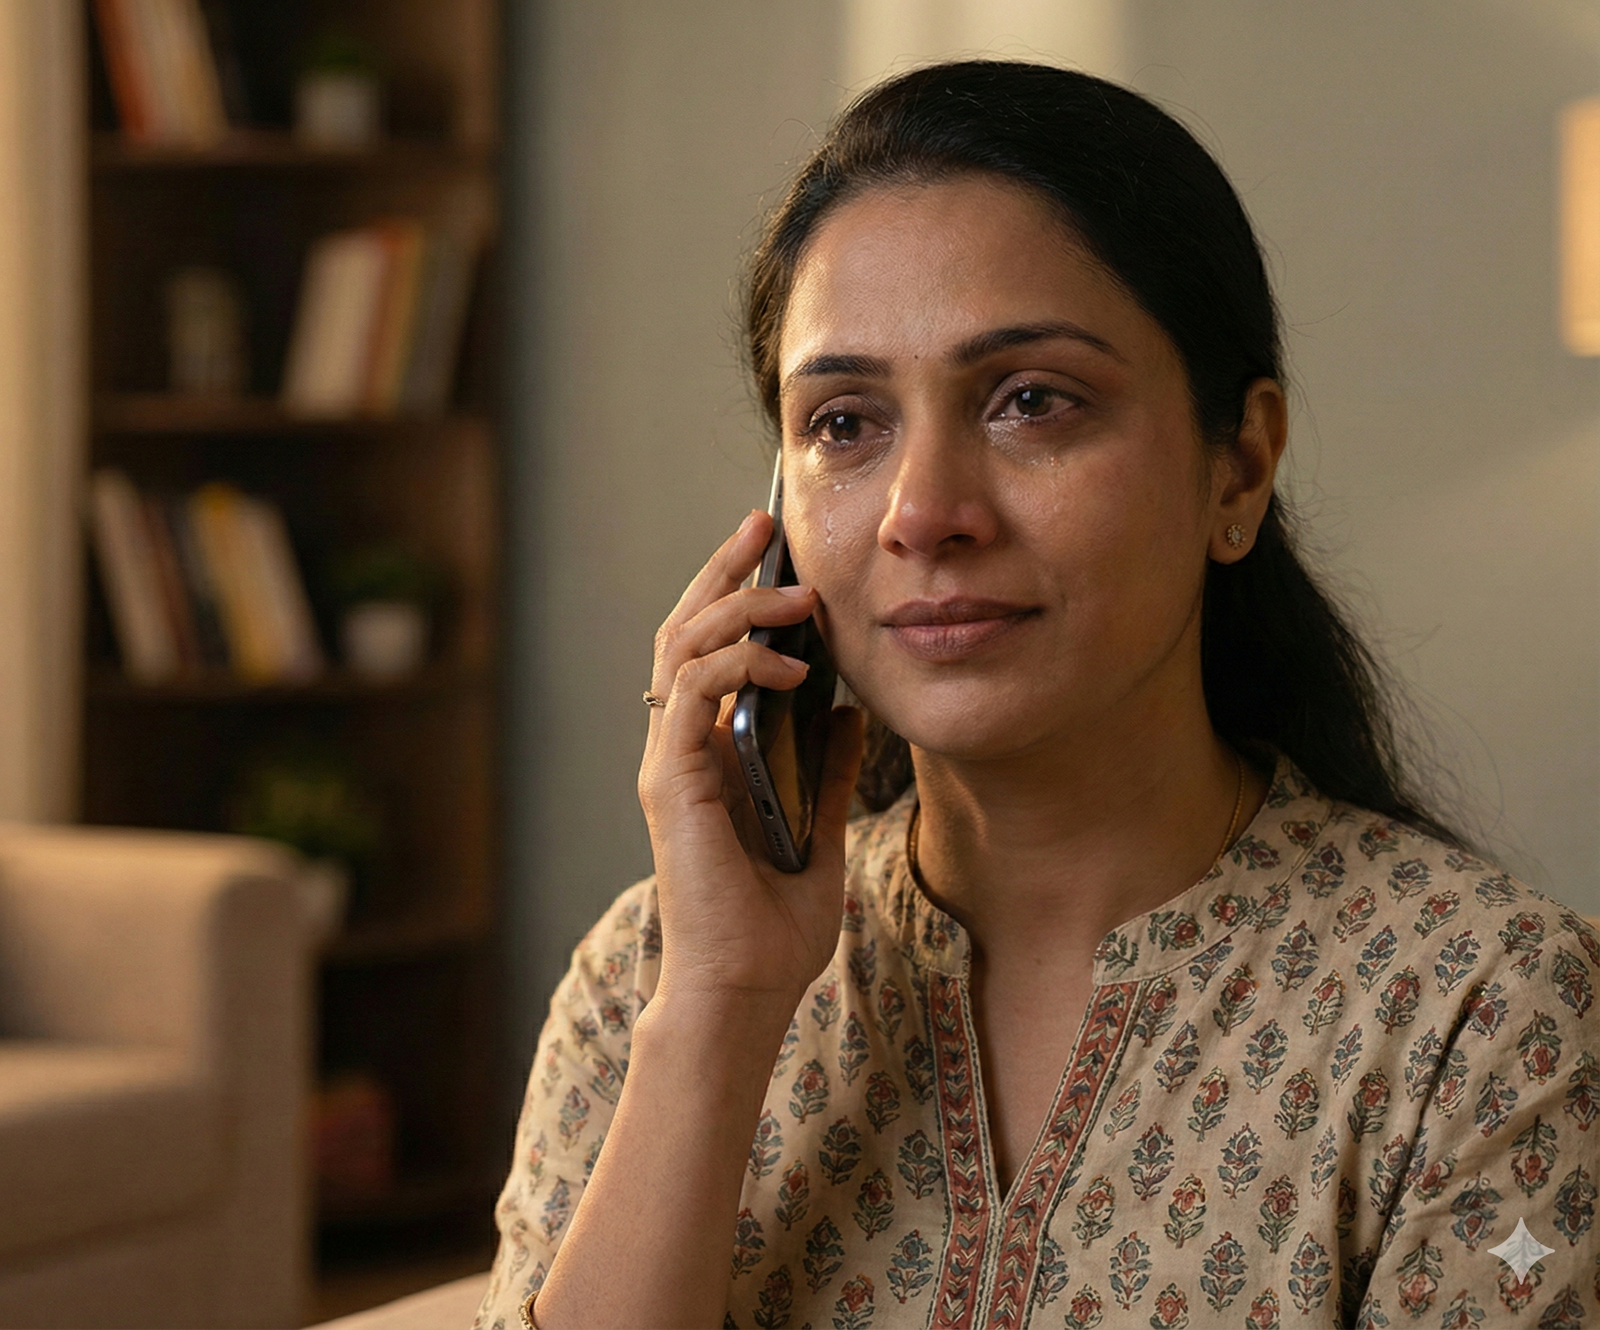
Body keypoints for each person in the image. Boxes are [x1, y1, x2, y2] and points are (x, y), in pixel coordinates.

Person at [475, 61, 1600, 1330]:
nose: (923, 515)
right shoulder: (650, 975)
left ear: (1237, 469)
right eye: (843, 423)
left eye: (1030, 402)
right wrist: (721, 1008)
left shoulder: (1477, 1007)